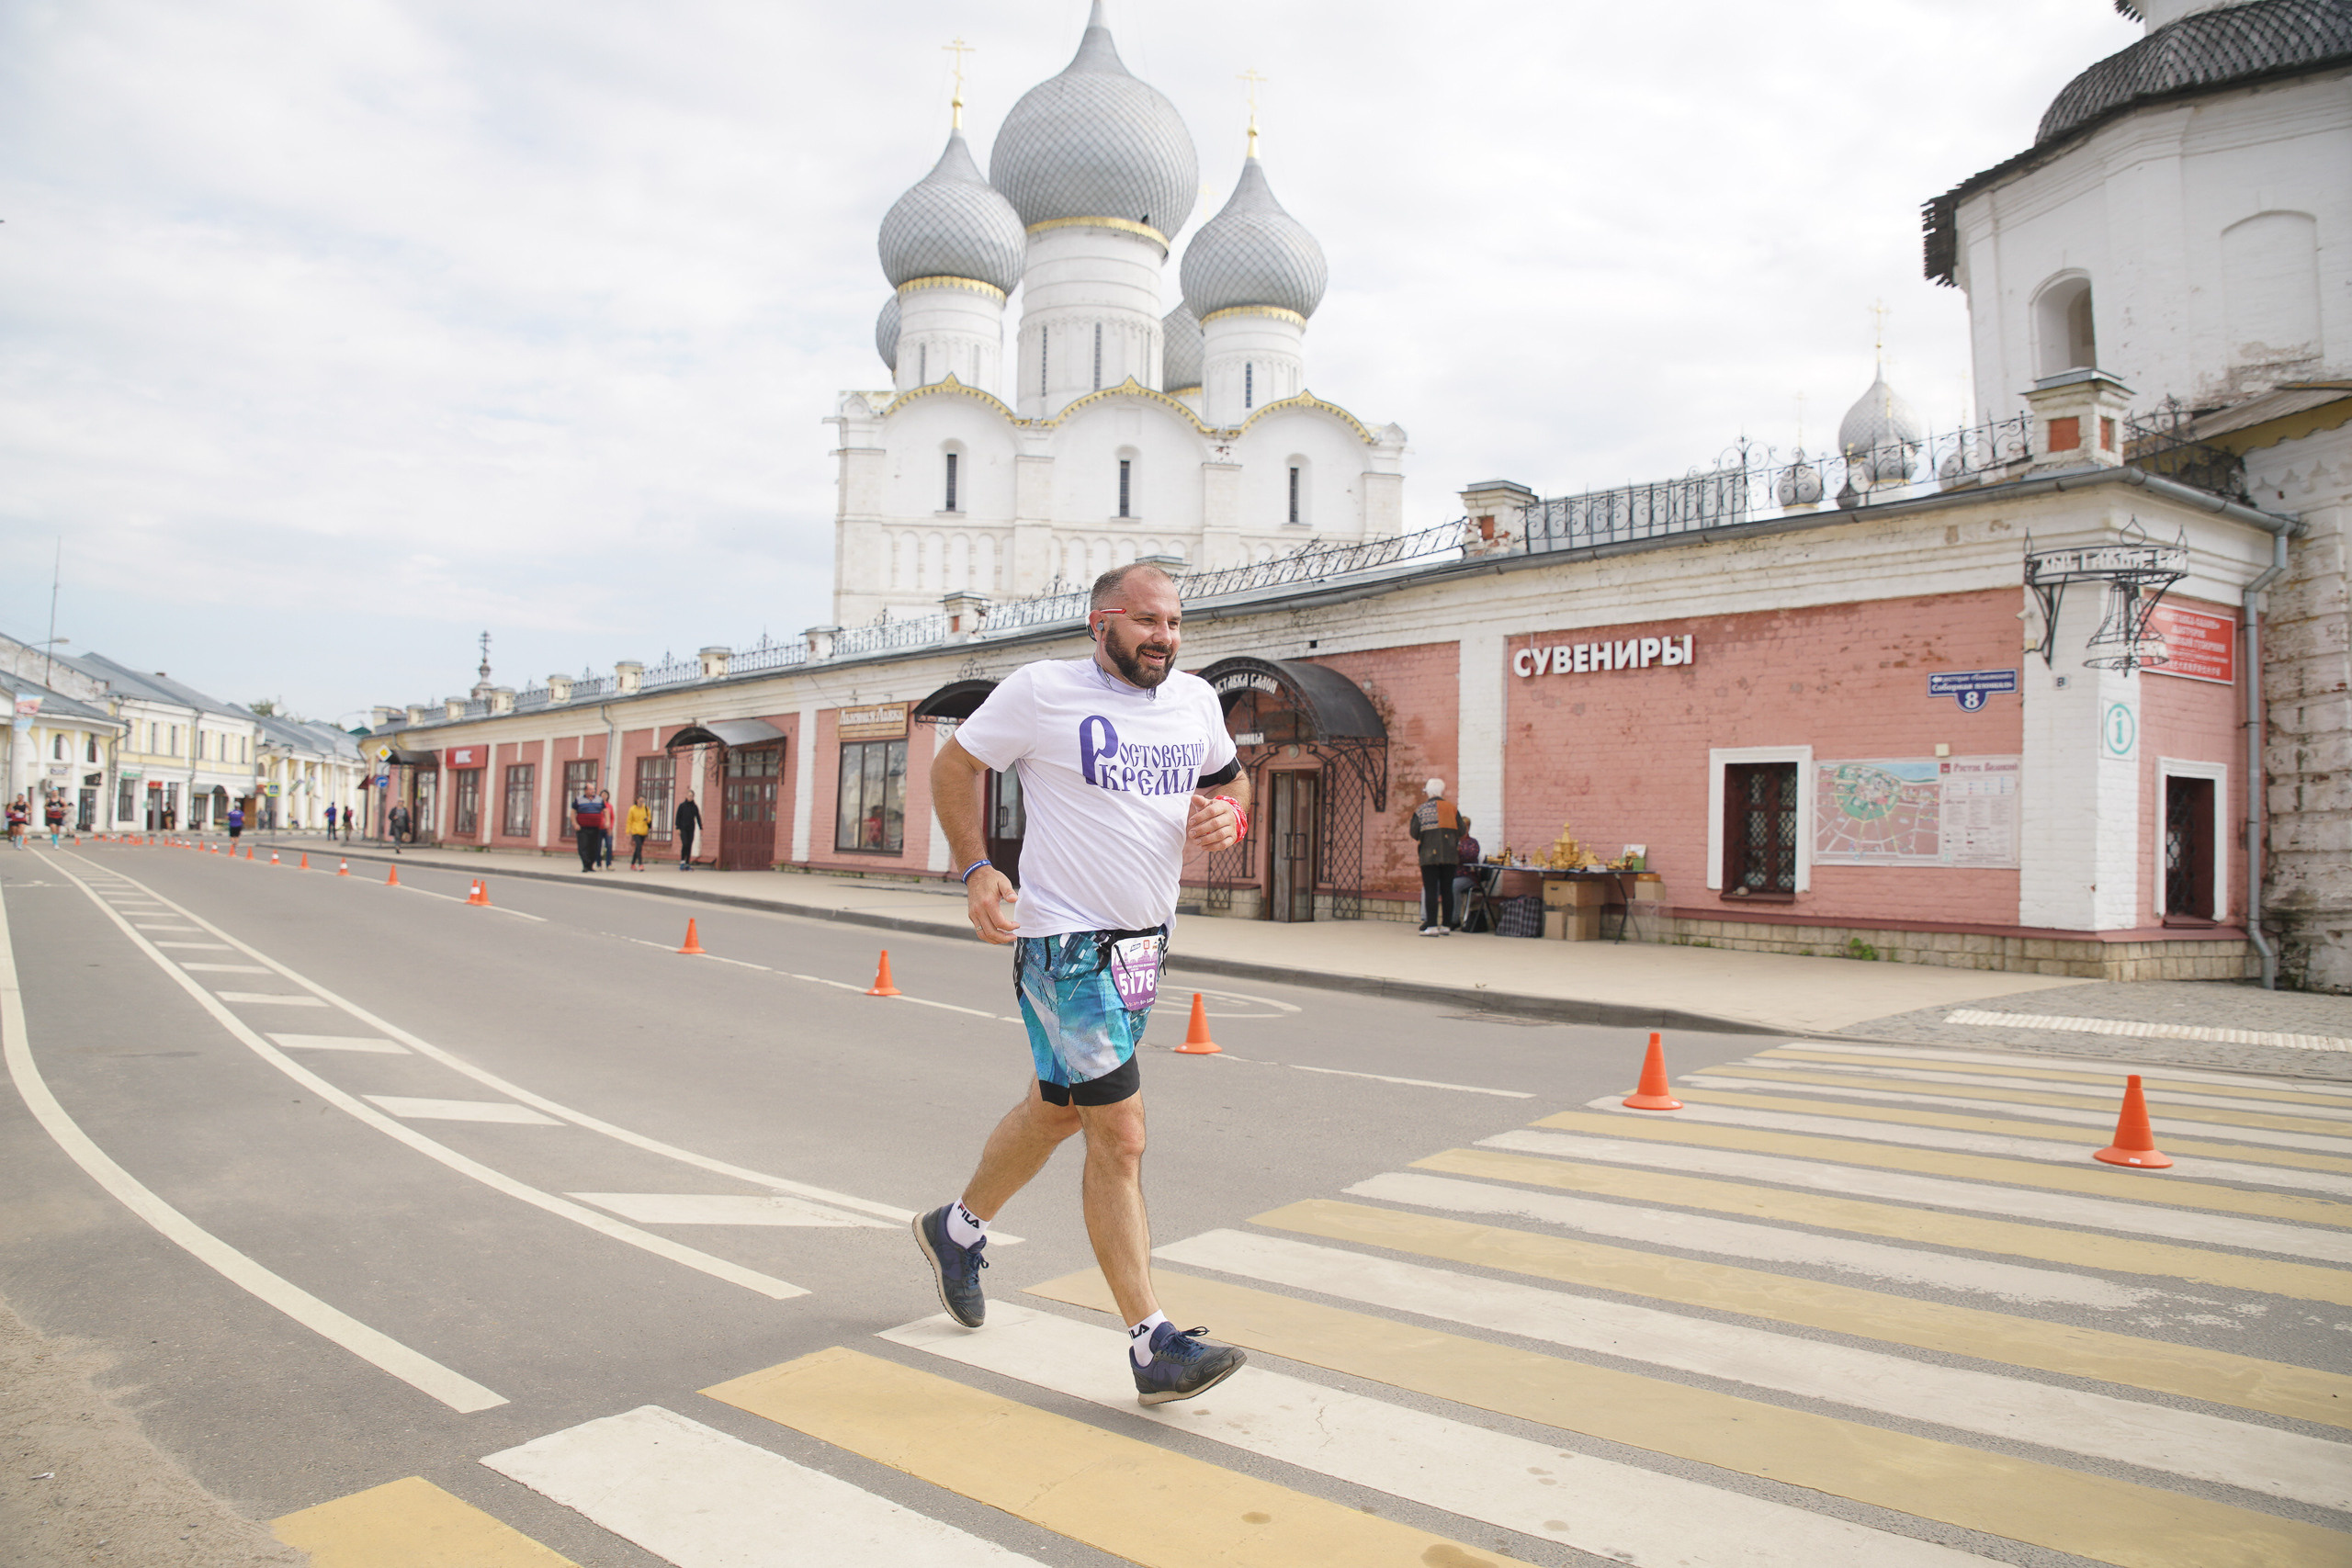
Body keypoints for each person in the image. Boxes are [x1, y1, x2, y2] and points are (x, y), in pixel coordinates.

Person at [915, 561, 1251, 1407]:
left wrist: (1232, 814)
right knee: (1121, 1133)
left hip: (1145, 946)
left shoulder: (1195, 702)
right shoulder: (1042, 692)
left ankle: (955, 1231)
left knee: (1059, 1109)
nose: (1164, 638)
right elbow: (953, 768)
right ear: (1101, 623)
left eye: (1174, 623)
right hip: (1065, 944)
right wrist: (977, 868)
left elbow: (1229, 781)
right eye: (1146, 621)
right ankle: (1152, 1344)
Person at [1408, 777, 1470, 936]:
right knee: (1447, 889)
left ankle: (1432, 926)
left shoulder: (1421, 810)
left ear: (1428, 792)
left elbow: (1414, 832)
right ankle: (1446, 925)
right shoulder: (1452, 809)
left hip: (1428, 856)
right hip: (1450, 855)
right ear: (1442, 791)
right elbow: (1462, 831)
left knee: (1431, 889)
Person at [571, 789, 605, 872]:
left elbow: (606, 810)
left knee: (594, 847)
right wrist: (575, 824)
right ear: (585, 791)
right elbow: (573, 812)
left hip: (595, 828)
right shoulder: (579, 799)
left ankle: (590, 865)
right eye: (590, 789)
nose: (593, 791)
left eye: (593, 789)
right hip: (582, 828)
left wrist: (606, 821)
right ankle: (585, 864)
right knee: (583, 847)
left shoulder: (599, 799)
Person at [674, 791, 701, 869]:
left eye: (692, 796)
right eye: (689, 795)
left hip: (691, 828)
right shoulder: (682, 806)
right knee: (685, 843)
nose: (690, 797)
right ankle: (682, 861)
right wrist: (677, 827)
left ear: (693, 797)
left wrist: (700, 827)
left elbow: (698, 817)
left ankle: (687, 862)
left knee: (689, 845)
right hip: (683, 828)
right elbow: (678, 817)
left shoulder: (694, 807)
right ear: (686, 796)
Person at [626, 795, 652, 870]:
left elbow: (649, 819)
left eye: (643, 801)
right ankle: (640, 864)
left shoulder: (646, 808)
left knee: (638, 848)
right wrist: (628, 831)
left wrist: (647, 819)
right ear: (637, 800)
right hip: (635, 830)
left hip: (643, 830)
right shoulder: (632, 809)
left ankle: (632, 863)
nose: (641, 803)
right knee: (639, 846)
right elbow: (629, 821)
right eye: (640, 801)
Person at [597, 789, 616, 868]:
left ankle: (609, 864)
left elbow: (612, 817)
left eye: (605, 795)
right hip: (599, 828)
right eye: (602, 794)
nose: (604, 796)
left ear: (608, 796)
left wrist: (610, 827)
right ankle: (598, 864)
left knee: (609, 845)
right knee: (598, 846)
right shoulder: (597, 806)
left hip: (608, 829)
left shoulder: (609, 806)